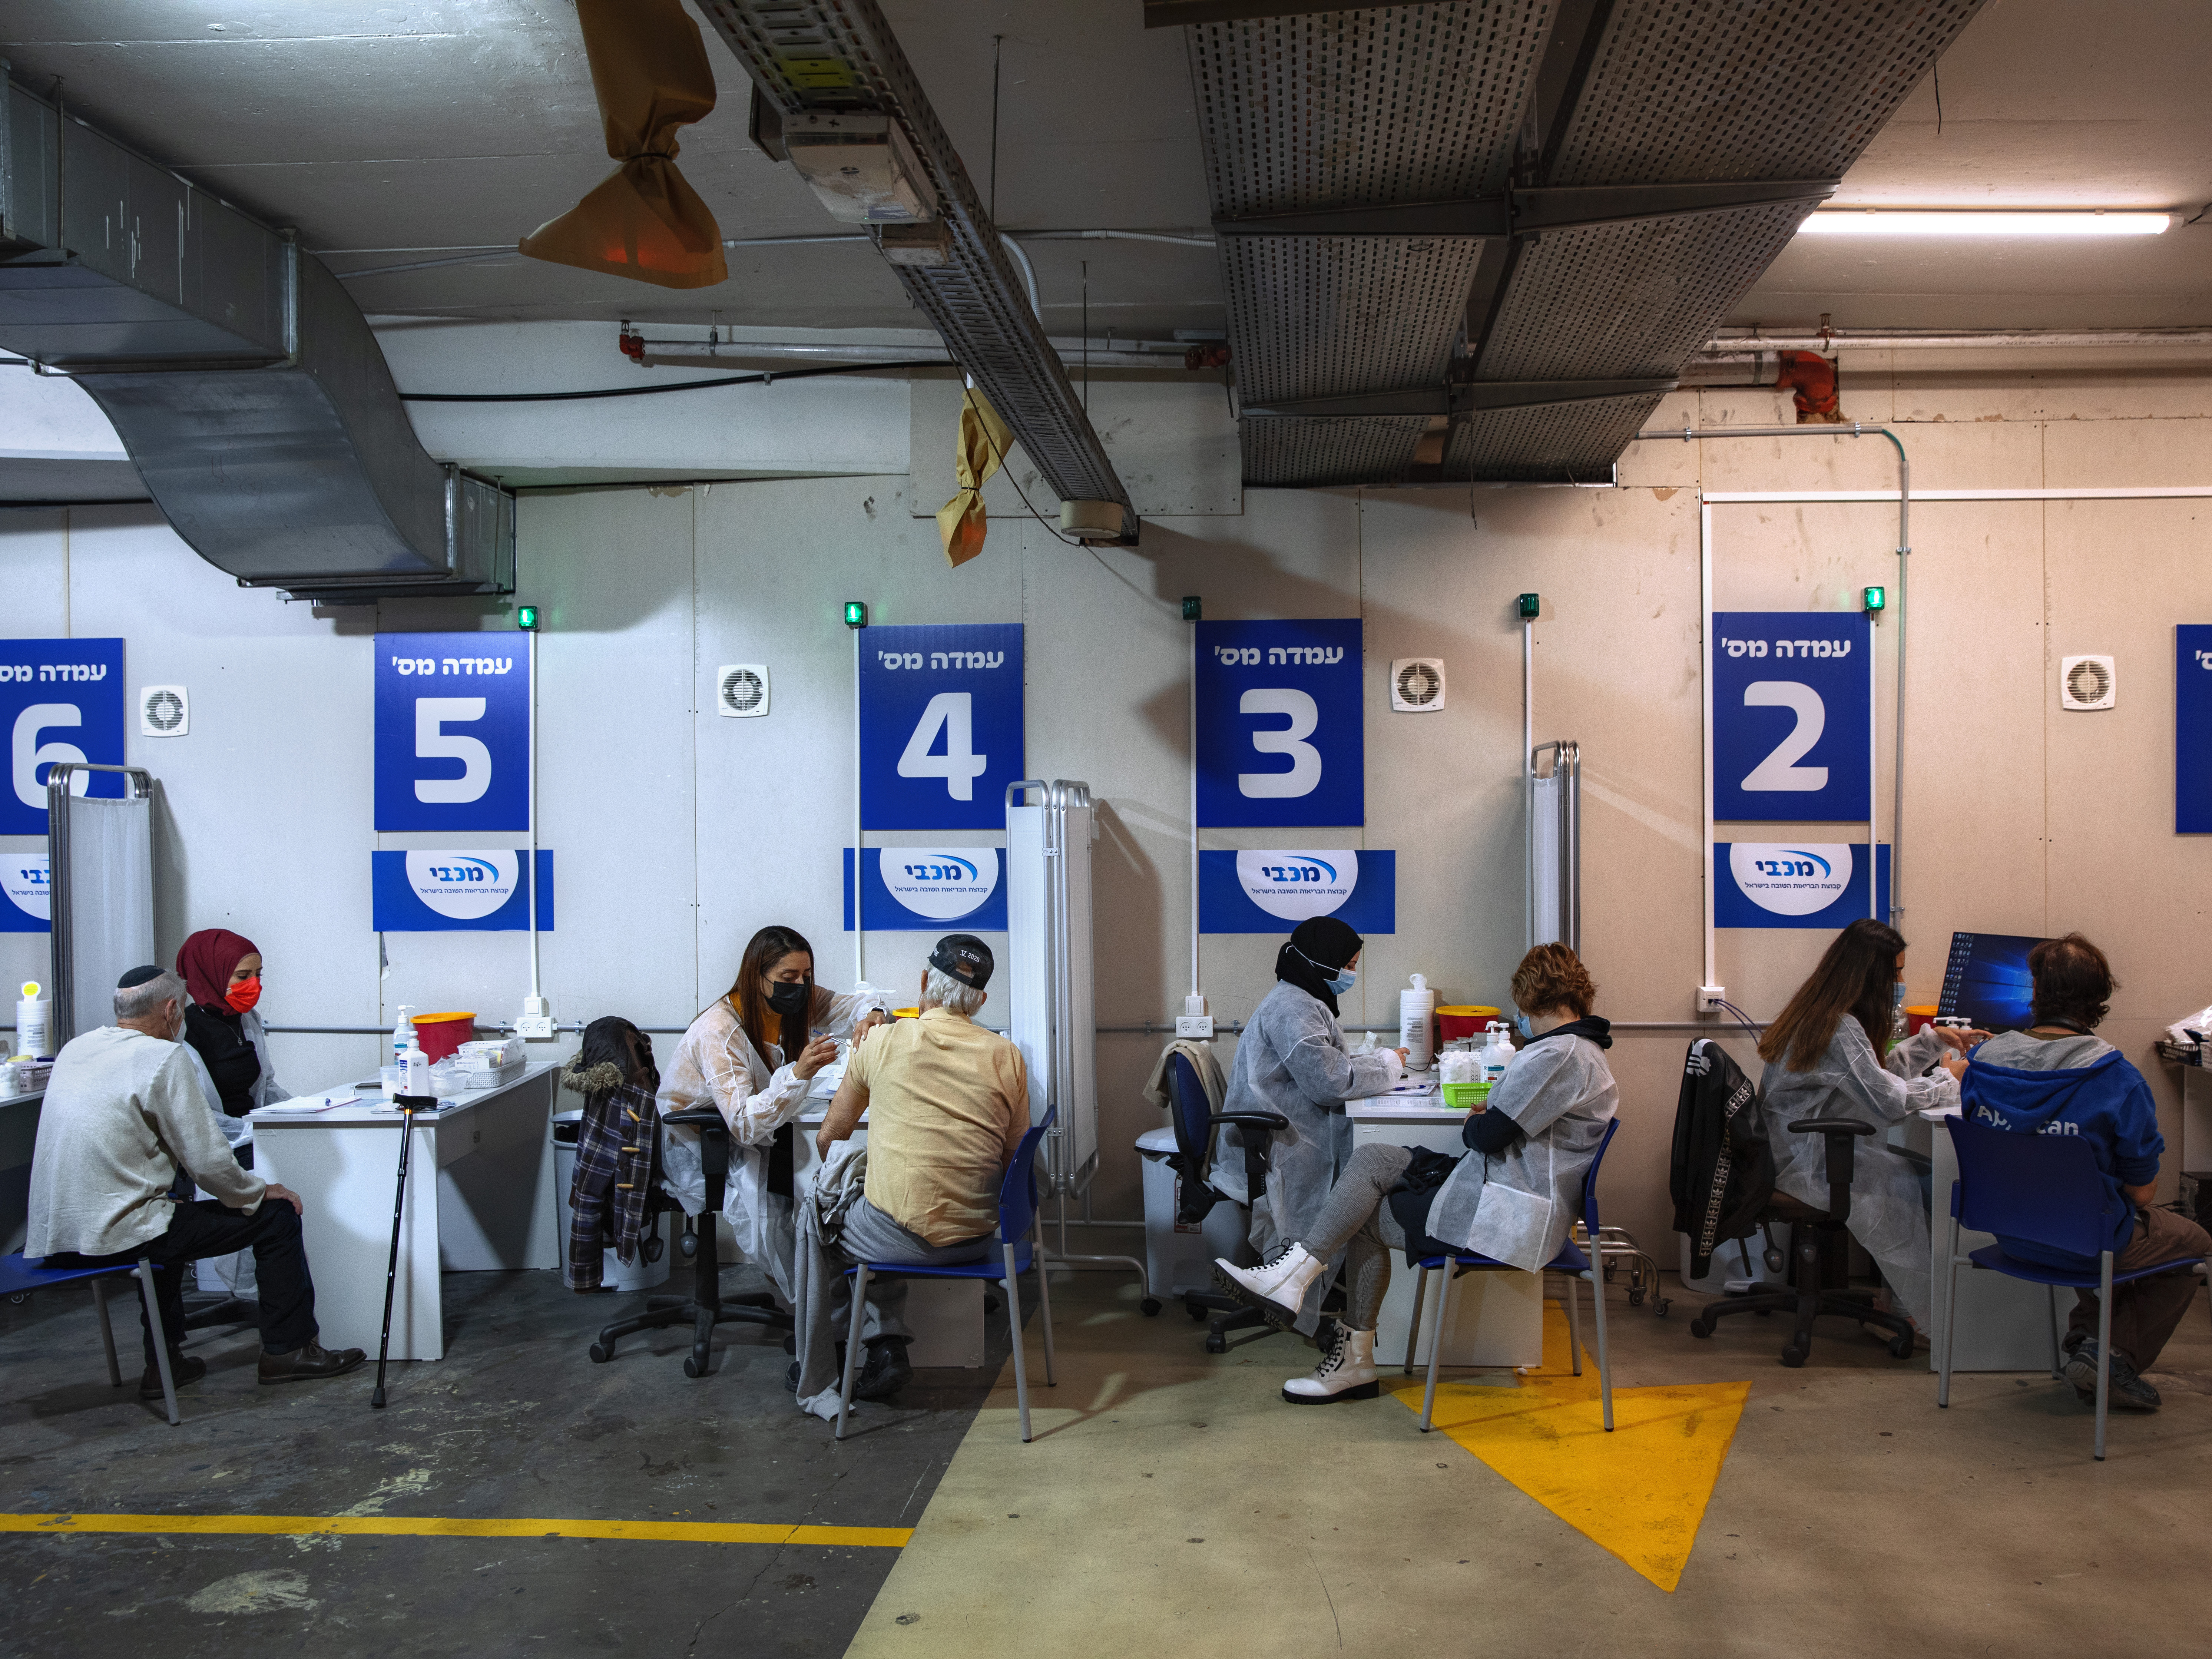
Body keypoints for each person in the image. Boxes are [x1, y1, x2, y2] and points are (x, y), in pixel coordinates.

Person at [1215, 943, 1618, 1403]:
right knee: (1372, 1160)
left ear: (1532, 998)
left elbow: (1486, 1135)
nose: (1518, 1019)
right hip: (1504, 1189)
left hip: (1505, 1214)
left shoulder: (1560, 1054)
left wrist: (1477, 1119)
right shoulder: (1576, 1050)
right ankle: (1293, 1277)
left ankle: (1350, 1361)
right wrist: (1487, 1116)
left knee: (1363, 1219)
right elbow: (1502, 1122)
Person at [26, 967, 365, 1396]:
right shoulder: (163, 1057)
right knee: (277, 1217)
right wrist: (258, 1193)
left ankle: (163, 1366)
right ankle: (288, 1352)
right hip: (121, 1236)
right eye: (183, 1010)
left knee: (167, 1216)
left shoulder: (77, 1049)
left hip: (60, 1235)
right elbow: (207, 1161)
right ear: (171, 1011)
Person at [1963, 934, 2211, 1412]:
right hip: (2085, 1239)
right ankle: (2111, 1356)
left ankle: (2086, 1344)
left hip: (2008, 1232)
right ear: (2100, 999)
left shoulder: (1982, 1065)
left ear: (2034, 990)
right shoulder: (2116, 1078)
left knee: (2091, 1220)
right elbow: (2142, 1192)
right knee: (2190, 1242)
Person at [789, 935, 1028, 1419]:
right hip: (981, 1239)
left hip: (896, 1239)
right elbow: (1013, 1161)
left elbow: (829, 1140)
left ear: (923, 983)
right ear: (981, 1000)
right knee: (876, 1197)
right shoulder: (1008, 1056)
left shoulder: (880, 1042)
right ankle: (881, 1341)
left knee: (818, 1214)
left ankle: (818, 1381)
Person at [1756, 917, 1978, 1336]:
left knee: (1917, 1176)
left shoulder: (1821, 1013)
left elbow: (1870, 1078)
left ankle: (1897, 1304)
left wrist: (1933, 1042)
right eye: (1896, 972)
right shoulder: (1840, 1029)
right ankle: (1923, 1319)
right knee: (1907, 1185)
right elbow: (1889, 1102)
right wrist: (1951, 1079)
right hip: (1804, 1164)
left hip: (1791, 1152)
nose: (1900, 981)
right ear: (1871, 974)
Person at [657, 926, 889, 1305]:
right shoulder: (720, 1031)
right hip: (704, 1142)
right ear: (757, 975)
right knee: (774, 1213)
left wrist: (874, 1013)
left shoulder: (793, 1002)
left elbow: (854, 1006)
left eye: (806, 976)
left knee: (809, 1194)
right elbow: (744, 1125)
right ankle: (820, 1311)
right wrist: (798, 1074)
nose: (800, 985)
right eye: (788, 978)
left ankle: (833, 1303)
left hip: (757, 1129)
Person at [1218, 916, 1405, 1339]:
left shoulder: (1306, 1000)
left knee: (1355, 1190)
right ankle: (1292, 1303)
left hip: (1294, 1131)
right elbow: (1329, 1083)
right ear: (1325, 962)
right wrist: (1389, 1067)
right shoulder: (1293, 1007)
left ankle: (1294, 1293)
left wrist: (1380, 1063)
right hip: (1280, 1142)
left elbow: (1327, 1064)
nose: (1351, 974)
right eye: (1350, 965)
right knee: (1340, 1204)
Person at [176, 927, 290, 1143]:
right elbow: (195, 1118)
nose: (254, 985)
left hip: (254, 1137)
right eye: (243, 976)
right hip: (217, 1149)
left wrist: (301, 1113)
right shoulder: (183, 1032)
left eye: (258, 975)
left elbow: (267, 1086)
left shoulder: (247, 1018)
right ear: (211, 974)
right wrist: (255, 1132)